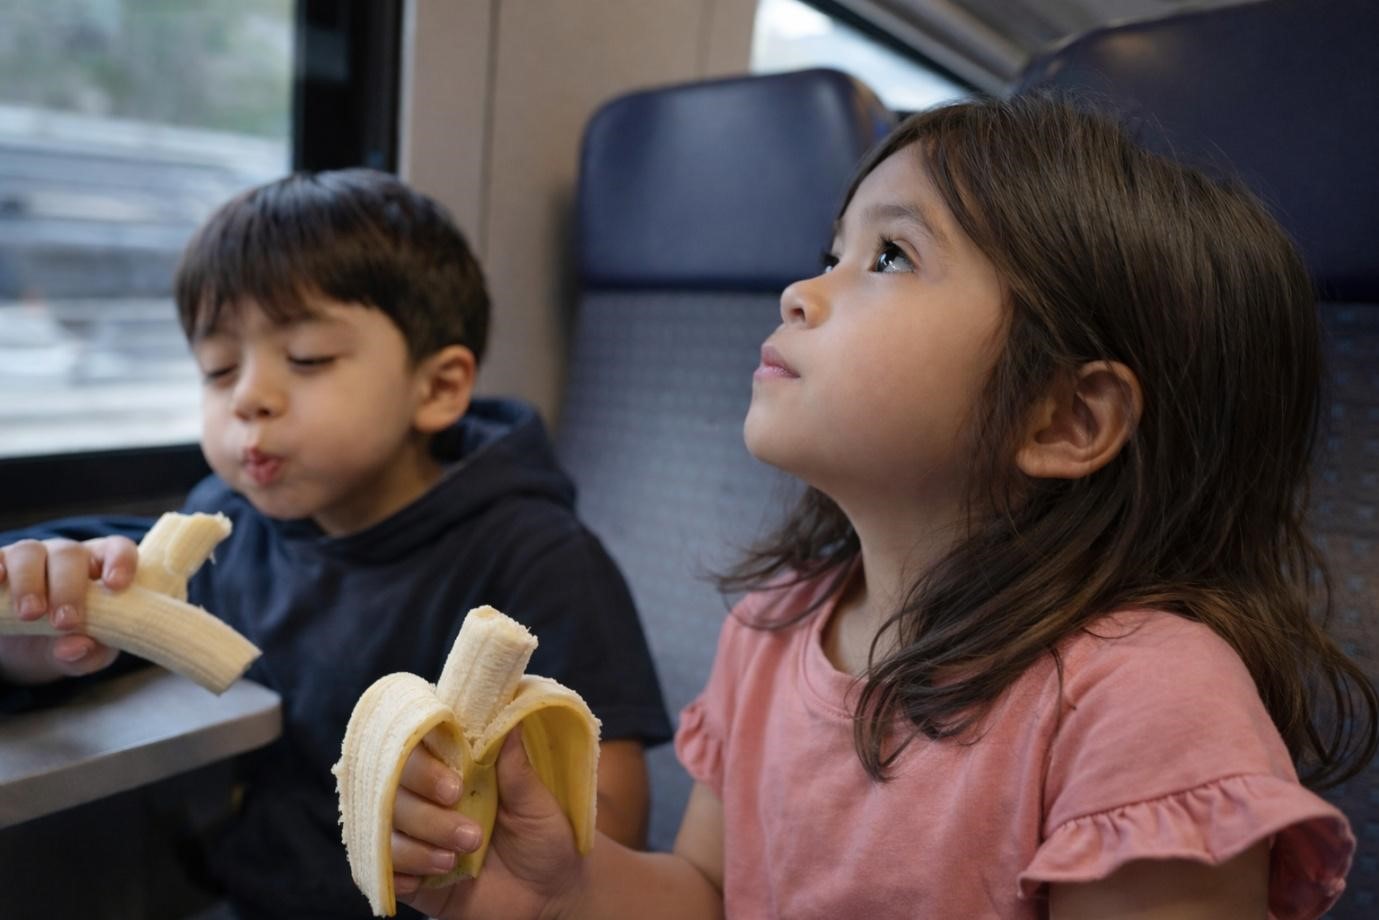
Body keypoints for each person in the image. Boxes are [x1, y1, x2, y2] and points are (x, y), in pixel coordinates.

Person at [383, 95, 1379, 920]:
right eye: (830, 249)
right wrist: (560, 886)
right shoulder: (771, 627)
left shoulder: (1148, 706)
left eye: (889, 256)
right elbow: (703, 891)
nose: (798, 291)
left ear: (1064, 415)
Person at [0, 169, 672, 920]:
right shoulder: (229, 521)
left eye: (308, 358)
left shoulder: (537, 555)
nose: (247, 395)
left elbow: (613, 807)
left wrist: (483, 834)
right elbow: (107, 609)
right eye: (218, 369)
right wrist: (37, 629)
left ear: (439, 388)